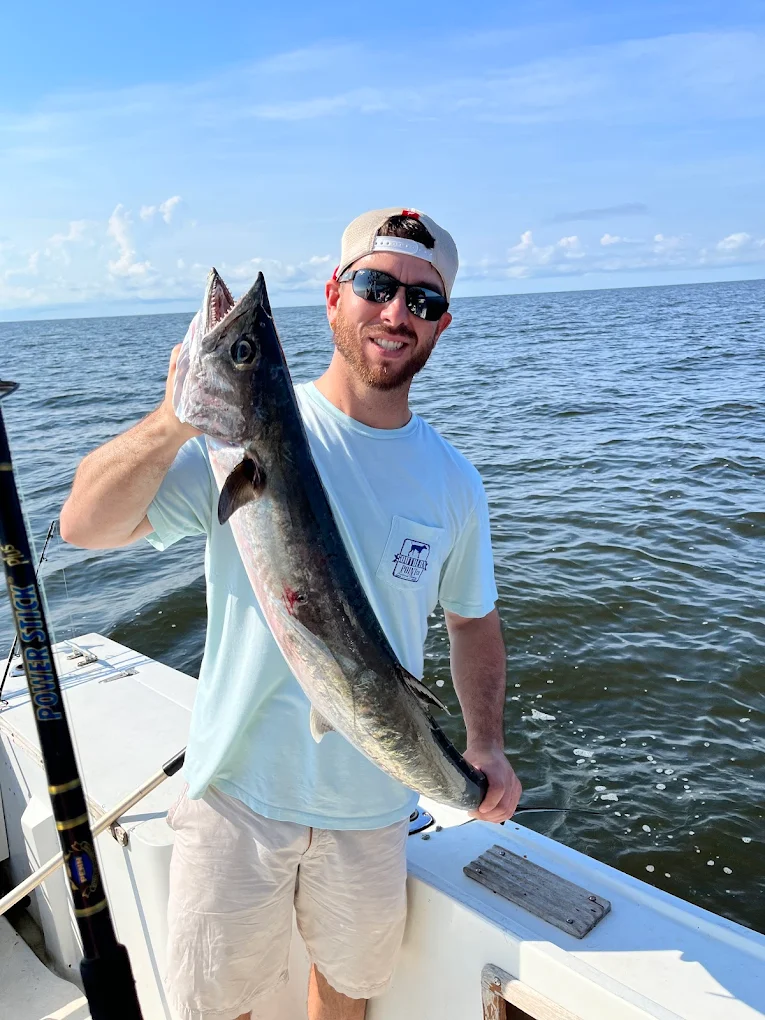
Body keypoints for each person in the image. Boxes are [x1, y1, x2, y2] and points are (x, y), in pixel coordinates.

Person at [59, 207, 522, 1020]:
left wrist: (483, 745)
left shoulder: (453, 481)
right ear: (335, 294)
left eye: (422, 300)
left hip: (377, 804)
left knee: (345, 998)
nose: (395, 312)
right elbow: (84, 527)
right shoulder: (233, 446)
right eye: (377, 285)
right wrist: (177, 417)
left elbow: (472, 621)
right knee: (219, 1008)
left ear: (441, 323)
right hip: (235, 794)